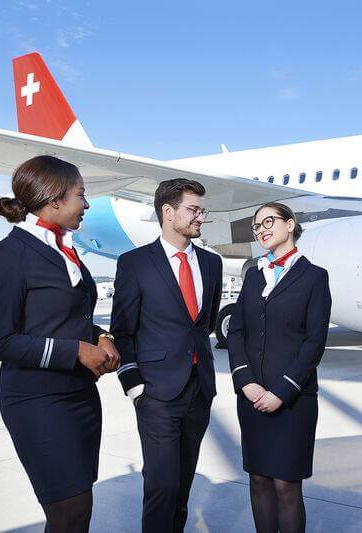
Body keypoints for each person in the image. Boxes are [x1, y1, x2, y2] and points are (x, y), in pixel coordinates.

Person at [0, 155, 120, 533]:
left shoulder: (65, 250)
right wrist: (75, 350)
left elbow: (68, 318)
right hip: (37, 400)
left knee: (81, 506)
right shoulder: (8, 255)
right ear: (55, 200)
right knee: (68, 510)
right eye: (81, 195)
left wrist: (101, 337)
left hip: (80, 397)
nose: (86, 205)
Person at [111, 178, 222, 533]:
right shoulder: (135, 263)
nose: (200, 217)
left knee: (183, 485)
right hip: (156, 392)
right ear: (168, 211)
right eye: (193, 209)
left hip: (198, 390)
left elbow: (202, 325)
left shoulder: (211, 263)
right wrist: (135, 385)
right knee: (161, 485)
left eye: (202, 210)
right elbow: (124, 329)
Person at [227, 202, 332, 533]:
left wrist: (282, 392)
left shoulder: (314, 277)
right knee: (258, 480)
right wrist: (245, 382)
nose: (261, 229)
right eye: (256, 226)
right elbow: (237, 332)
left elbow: (314, 342)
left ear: (290, 224)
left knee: (286, 487)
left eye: (268, 221)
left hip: (293, 400)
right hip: (252, 396)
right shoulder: (253, 276)